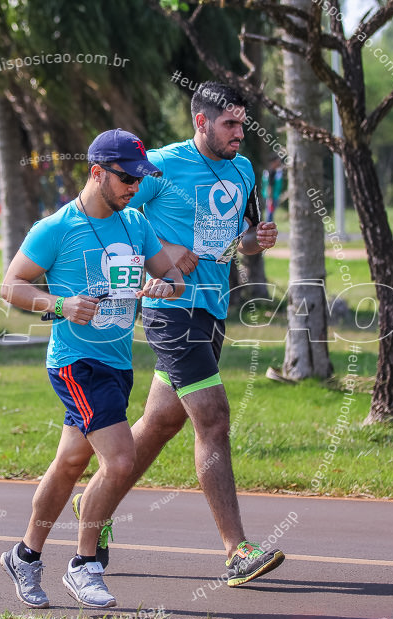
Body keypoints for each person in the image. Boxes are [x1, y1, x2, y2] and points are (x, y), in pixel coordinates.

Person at [80, 82, 285, 586]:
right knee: (213, 417)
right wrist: (164, 249)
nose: (240, 132)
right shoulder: (164, 166)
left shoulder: (242, 170)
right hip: (170, 308)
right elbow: (111, 211)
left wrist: (253, 243)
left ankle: (93, 507)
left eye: (243, 123)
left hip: (213, 308)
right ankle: (237, 551)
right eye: (230, 124)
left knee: (160, 422)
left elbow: (234, 243)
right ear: (201, 122)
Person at [0, 129, 184, 609]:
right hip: (76, 364)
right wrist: (59, 304)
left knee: (69, 464)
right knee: (120, 460)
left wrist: (165, 286)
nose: (134, 188)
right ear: (97, 172)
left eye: (141, 179)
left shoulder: (136, 224)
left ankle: (25, 555)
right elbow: (12, 286)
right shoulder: (56, 228)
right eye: (127, 178)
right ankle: (85, 565)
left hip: (117, 364)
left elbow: (173, 276)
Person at [261, 157, 285, 222]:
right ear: (273, 162)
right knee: (269, 215)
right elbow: (270, 186)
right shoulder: (272, 172)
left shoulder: (271, 171)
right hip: (271, 197)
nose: (279, 163)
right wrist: (270, 199)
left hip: (270, 196)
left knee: (270, 214)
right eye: (278, 161)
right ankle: (267, 229)